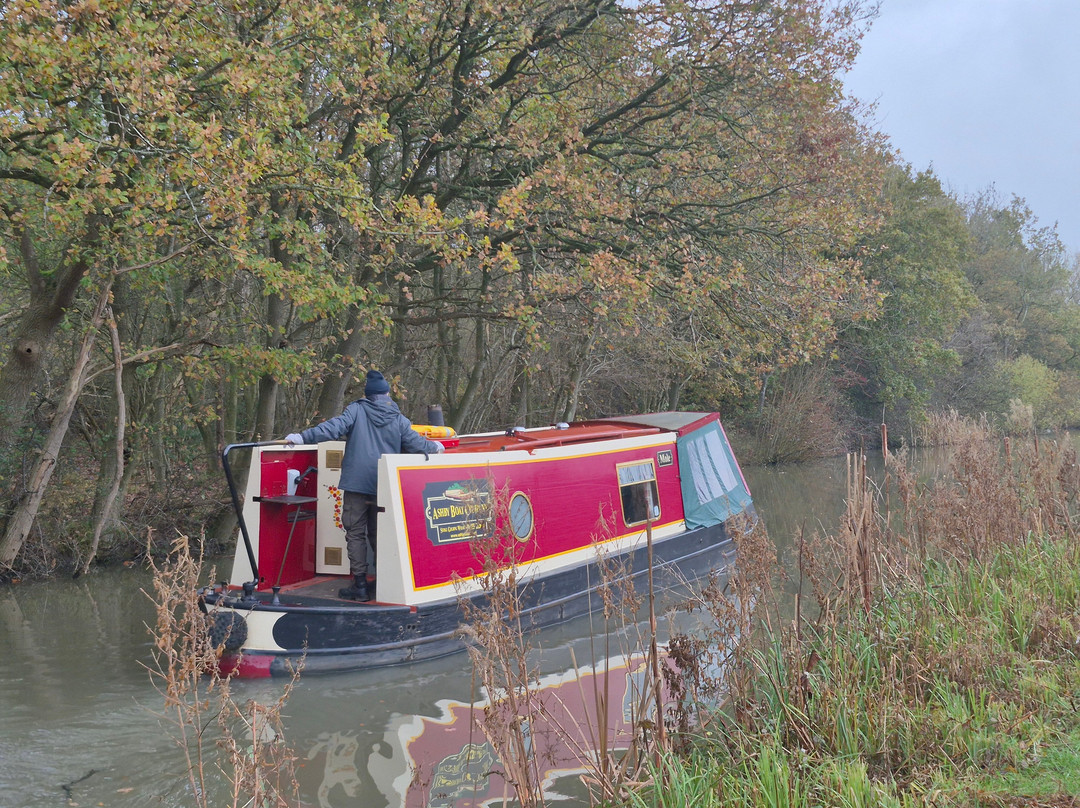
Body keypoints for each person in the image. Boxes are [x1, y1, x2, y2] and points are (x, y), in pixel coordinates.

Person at [284, 370, 444, 601]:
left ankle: (359, 585)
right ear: (387, 393)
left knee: (355, 532)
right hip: (385, 485)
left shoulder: (356, 410)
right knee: (381, 533)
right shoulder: (398, 419)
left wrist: (302, 438)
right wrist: (436, 447)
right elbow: (415, 443)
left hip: (357, 484)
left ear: (367, 395)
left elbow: (333, 428)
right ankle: (385, 581)